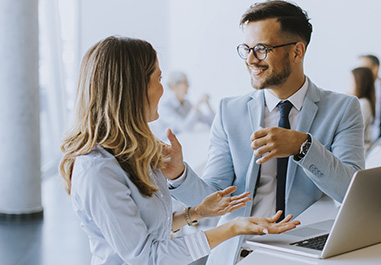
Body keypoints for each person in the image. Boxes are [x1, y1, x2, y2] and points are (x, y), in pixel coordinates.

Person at [59, 36, 300, 265]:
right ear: (134, 88)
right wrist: (233, 228)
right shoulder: (97, 169)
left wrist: (197, 212)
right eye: (158, 78)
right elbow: (147, 256)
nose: (163, 90)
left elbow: (150, 228)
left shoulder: (130, 151)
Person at [168, 1, 365, 264]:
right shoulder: (229, 111)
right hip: (239, 252)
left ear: (297, 52)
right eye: (247, 49)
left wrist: (303, 147)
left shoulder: (342, 109)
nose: (251, 59)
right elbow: (213, 200)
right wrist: (179, 175)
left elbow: (352, 192)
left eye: (261, 49)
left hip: (304, 252)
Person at [150, 71, 215, 139]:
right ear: (173, 86)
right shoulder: (165, 107)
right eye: (185, 82)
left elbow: (212, 122)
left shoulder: (187, 104)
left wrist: (207, 104)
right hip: (163, 144)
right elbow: (184, 127)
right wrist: (197, 105)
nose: (188, 85)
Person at [350, 67, 375, 153]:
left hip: (359, 151)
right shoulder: (363, 102)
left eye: (350, 80)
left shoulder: (362, 104)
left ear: (358, 83)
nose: (348, 84)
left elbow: (354, 133)